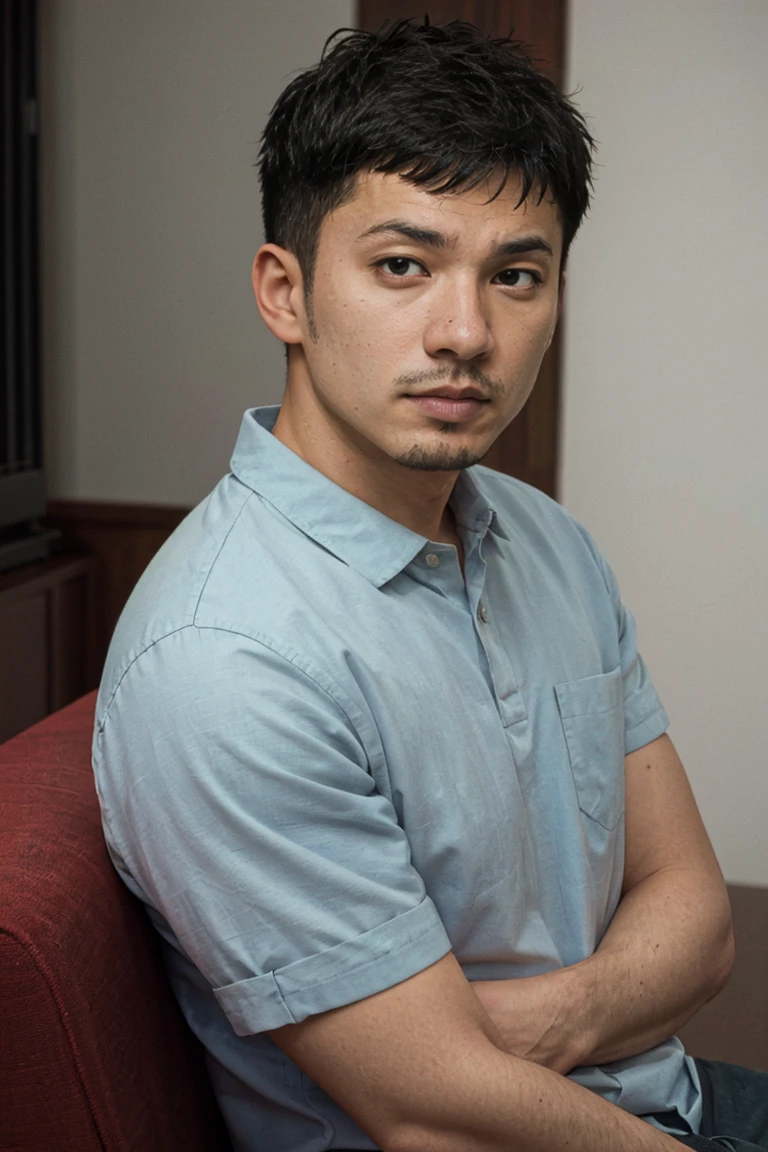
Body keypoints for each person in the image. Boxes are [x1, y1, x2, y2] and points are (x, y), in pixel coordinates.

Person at [92, 18, 768, 1152]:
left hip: (671, 1098)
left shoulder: (551, 543)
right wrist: (474, 1057)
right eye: (402, 265)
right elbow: (430, 1115)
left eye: (516, 275)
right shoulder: (226, 658)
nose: (467, 333)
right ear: (285, 292)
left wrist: (529, 1025)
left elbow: (700, 926)